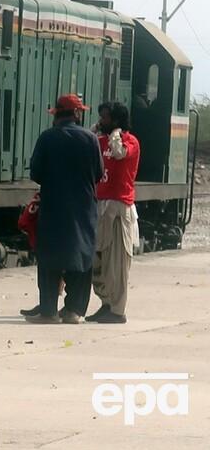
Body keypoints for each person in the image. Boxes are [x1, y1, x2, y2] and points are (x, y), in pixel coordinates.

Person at [27, 94, 103, 325]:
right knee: (82, 255)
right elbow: (99, 173)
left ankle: (48, 311)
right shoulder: (90, 139)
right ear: (77, 114)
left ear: (57, 114)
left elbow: (35, 173)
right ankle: (74, 311)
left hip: (54, 206)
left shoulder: (47, 137)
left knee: (49, 256)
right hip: (83, 207)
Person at [87, 102, 140, 324]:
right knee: (96, 262)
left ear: (116, 120)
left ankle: (118, 311)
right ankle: (106, 302)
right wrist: (93, 131)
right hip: (100, 206)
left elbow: (119, 154)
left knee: (116, 263)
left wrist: (115, 134)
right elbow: (86, 148)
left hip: (119, 209)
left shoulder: (130, 141)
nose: (102, 121)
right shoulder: (101, 141)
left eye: (105, 117)